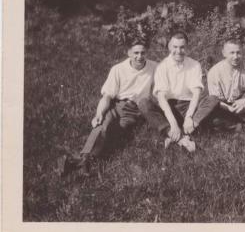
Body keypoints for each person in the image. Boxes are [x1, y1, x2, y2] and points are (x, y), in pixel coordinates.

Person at [58, 38, 157, 176]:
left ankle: (78, 163)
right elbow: (107, 96)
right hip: (116, 105)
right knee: (102, 125)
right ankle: (84, 159)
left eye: (143, 53)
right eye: (136, 53)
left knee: (115, 134)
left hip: (135, 110)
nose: (139, 57)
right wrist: (98, 114)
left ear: (147, 53)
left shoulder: (155, 67)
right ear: (129, 53)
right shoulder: (118, 69)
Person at [138, 33, 213, 152]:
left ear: (187, 47)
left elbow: (196, 93)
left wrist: (189, 116)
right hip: (169, 107)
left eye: (182, 47)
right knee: (143, 103)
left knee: (212, 99)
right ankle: (179, 136)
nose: (179, 51)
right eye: (175, 47)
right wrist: (173, 123)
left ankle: (187, 127)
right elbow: (161, 97)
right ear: (169, 47)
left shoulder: (194, 65)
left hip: (188, 106)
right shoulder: (162, 66)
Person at [195, 39, 245, 144]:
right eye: (232, 53)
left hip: (243, 102)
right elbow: (215, 99)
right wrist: (230, 109)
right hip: (224, 106)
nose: (236, 56)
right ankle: (237, 125)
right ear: (224, 53)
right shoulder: (215, 71)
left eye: (238, 52)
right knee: (213, 112)